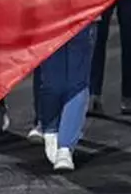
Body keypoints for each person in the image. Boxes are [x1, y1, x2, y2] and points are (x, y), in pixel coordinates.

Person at [37, 22, 96, 171]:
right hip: (48, 15)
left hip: (83, 13)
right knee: (53, 82)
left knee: (77, 82)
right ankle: (51, 128)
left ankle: (65, 147)